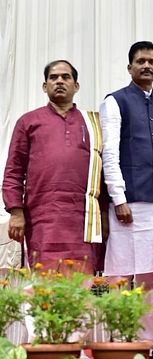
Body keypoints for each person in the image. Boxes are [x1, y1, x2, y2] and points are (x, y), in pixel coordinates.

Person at [100, 41, 153, 341]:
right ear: (130, 67)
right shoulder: (115, 101)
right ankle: (118, 336)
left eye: (151, 61)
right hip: (129, 201)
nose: (146, 65)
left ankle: (149, 339)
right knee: (121, 272)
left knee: (152, 271)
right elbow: (109, 154)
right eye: (140, 61)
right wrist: (118, 198)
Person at [3, 60, 104, 274]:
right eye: (53, 77)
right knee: (45, 287)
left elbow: (103, 174)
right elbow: (13, 171)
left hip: (82, 219)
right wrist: (16, 212)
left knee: (81, 286)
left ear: (76, 86)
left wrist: (105, 215)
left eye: (66, 77)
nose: (59, 81)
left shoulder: (93, 124)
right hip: (42, 218)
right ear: (44, 85)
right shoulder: (29, 122)